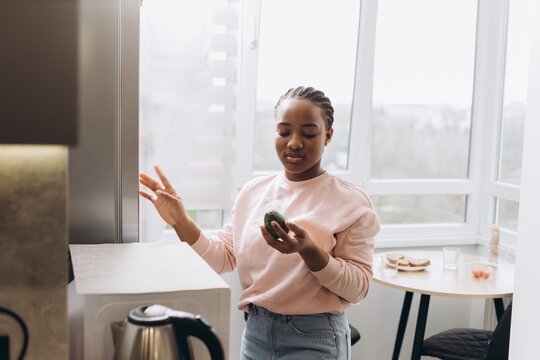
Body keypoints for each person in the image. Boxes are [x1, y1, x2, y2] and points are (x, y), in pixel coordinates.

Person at [139, 86, 380, 359]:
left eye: (309, 133)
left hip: (315, 337)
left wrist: (309, 251)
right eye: (284, 131)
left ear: (328, 136)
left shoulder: (351, 202)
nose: (294, 142)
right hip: (256, 333)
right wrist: (181, 221)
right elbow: (223, 258)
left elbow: (359, 287)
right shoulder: (253, 192)